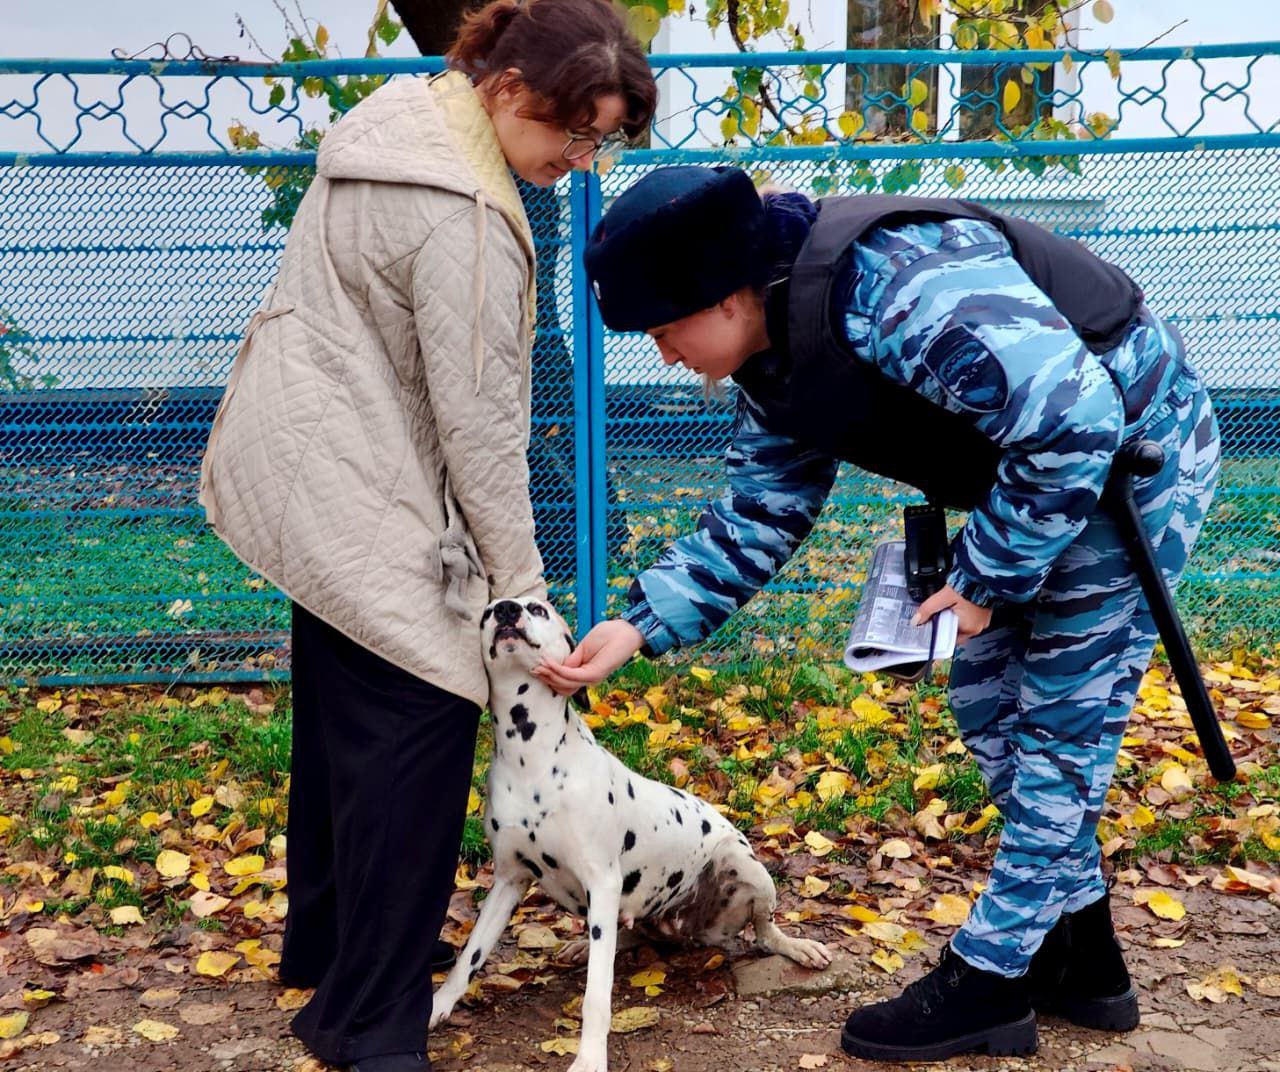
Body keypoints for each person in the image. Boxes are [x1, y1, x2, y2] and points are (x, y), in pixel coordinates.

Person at [535, 165, 1221, 1063]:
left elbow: (1072, 417)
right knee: (988, 707)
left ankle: (991, 981)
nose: (663, 355)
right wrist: (638, 625)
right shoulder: (777, 355)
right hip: (1046, 481)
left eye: (666, 330)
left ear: (727, 293)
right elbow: (757, 512)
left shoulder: (899, 287)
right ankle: (1083, 960)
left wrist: (984, 579)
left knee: (1056, 726)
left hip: (1134, 460)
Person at [198, 3, 655, 1069]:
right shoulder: (466, 215)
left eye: (601, 141)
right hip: (367, 482)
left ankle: (326, 958)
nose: (581, 159)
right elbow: (481, 427)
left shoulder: (394, 127)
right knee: (422, 720)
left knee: (345, 726)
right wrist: (522, 592)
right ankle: (369, 1026)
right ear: (507, 94)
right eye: (571, 133)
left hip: (304, 460)